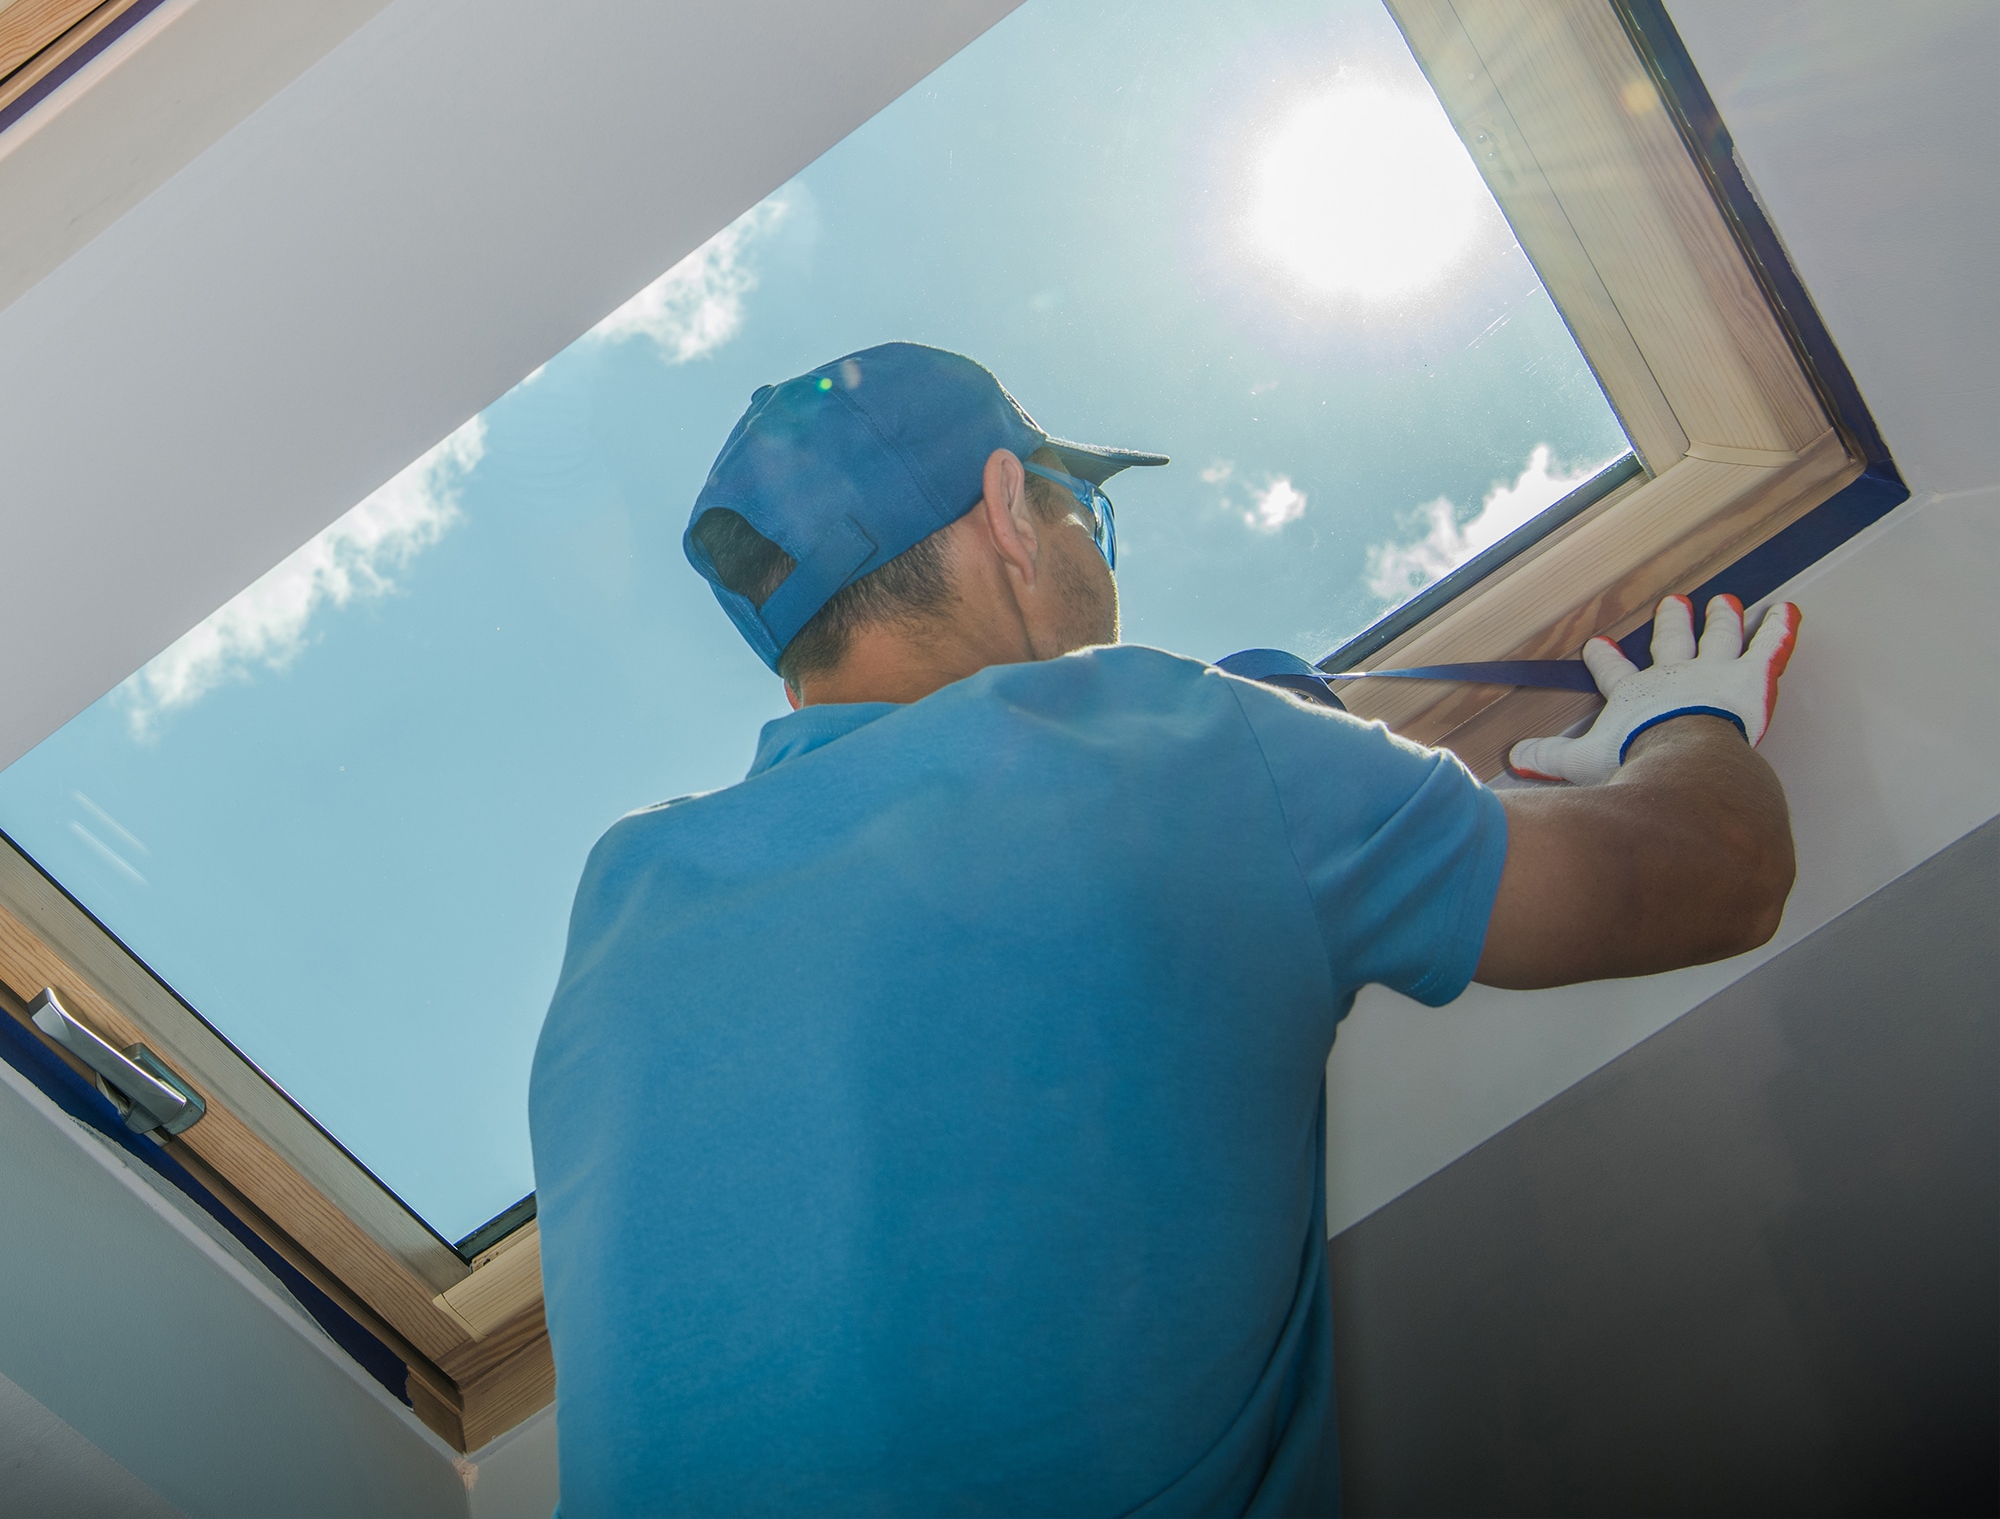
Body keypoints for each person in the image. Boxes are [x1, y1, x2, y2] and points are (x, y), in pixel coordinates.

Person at [530, 342, 1800, 1517]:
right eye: (1084, 507)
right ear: (1008, 513)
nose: (1098, 551)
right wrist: (1679, 723)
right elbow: (1720, 873)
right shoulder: (1164, 739)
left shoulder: (622, 897)